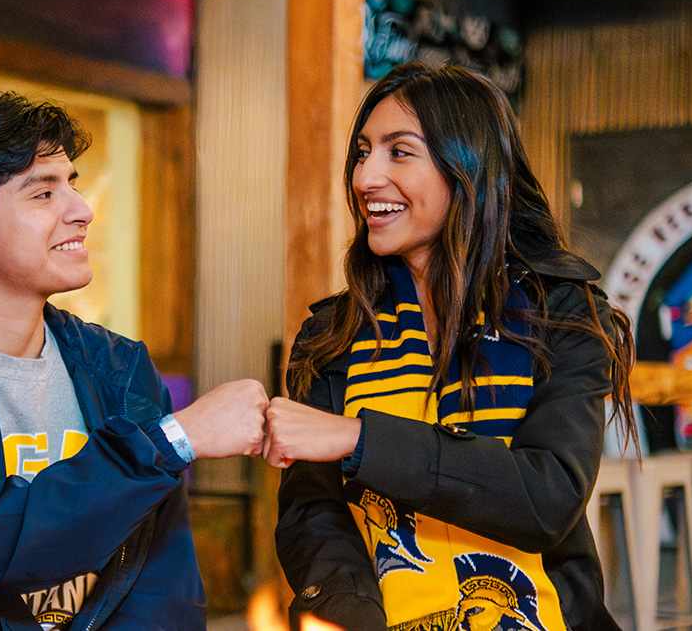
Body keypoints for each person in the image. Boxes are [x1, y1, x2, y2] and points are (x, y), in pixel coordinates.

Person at [0, 91, 268, 630]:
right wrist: (172, 440)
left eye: (73, 185)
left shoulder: (118, 366)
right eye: (43, 194)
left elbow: (160, 586)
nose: (81, 211)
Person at [263, 62, 636, 631]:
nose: (366, 178)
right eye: (364, 152)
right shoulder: (331, 335)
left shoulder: (559, 312)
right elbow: (314, 515)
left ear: (468, 168)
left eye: (400, 152)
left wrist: (361, 439)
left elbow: (546, 497)